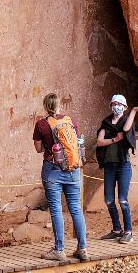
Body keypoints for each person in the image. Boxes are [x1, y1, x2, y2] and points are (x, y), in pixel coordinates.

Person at [32, 93, 87, 262]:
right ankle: (83, 249)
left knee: (56, 209)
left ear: (45, 106)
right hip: (73, 169)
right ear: (59, 105)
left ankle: (59, 249)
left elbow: (39, 149)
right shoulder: (70, 121)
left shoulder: (41, 124)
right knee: (76, 208)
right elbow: (77, 142)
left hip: (53, 170)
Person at [96, 94, 138, 244]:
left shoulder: (126, 120)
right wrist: (114, 140)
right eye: (114, 103)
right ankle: (117, 229)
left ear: (124, 107)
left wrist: (134, 111)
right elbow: (99, 142)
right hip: (110, 165)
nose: (116, 106)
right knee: (109, 200)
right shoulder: (106, 122)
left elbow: (126, 128)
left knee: (123, 200)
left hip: (123, 164)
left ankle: (128, 231)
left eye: (119, 104)